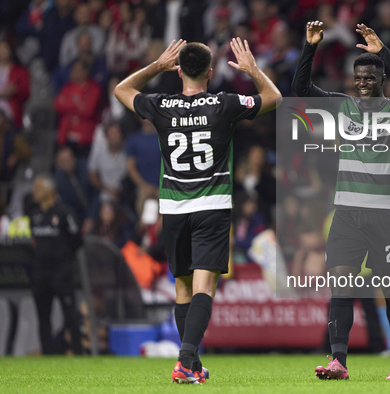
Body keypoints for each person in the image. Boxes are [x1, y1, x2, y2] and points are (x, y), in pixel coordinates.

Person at [114, 38, 281, 383]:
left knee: (183, 291)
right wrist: (252, 70)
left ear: (179, 70)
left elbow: (121, 89)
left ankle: (191, 365)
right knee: (205, 289)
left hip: (173, 208)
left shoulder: (161, 105)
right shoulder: (224, 103)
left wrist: (156, 66)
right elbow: (274, 98)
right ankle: (185, 360)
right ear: (210, 71)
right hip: (212, 206)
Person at [292, 21, 390, 380]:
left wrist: (384, 53)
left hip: (387, 216)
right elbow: (300, 88)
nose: (362, 82)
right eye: (358, 77)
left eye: (369, 77)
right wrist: (310, 47)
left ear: (380, 80)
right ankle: (338, 361)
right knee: (342, 284)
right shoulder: (342, 106)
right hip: (348, 214)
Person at [28, 174, 83, 355]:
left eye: (38, 188)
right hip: (41, 273)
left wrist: (64, 259)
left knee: (70, 314)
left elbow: (77, 240)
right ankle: (47, 354)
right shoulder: (33, 215)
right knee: (43, 316)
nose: (34, 192)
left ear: (50, 191)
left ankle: (77, 352)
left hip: (62, 272)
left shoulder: (64, 213)